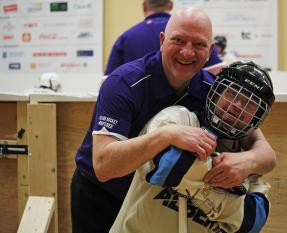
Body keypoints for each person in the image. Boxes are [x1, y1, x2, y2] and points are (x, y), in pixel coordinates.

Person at [71, 7, 275, 233]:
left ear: (210, 51)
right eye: (179, 40)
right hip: (101, 195)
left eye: (198, 44)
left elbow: (266, 153)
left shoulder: (212, 90)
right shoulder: (124, 82)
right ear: (162, 40)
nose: (187, 52)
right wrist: (167, 135)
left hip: (151, 196)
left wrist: (248, 162)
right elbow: (104, 166)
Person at [109, 61, 275, 233]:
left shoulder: (251, 167)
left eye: (249, 103)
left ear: (256, 118)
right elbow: (169, 166)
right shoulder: (177, 119)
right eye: (232, 94)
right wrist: (227, 195)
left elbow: (252, 221)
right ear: (216, 93)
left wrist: (193, 178)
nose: (237, 105)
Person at [104, 0, 224, 75]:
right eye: (178, 41)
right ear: (171, 5)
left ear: (144, 7)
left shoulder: (126, 38)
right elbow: (217, 73)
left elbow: (107, 82)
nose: (186, 53)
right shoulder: (196, 34)